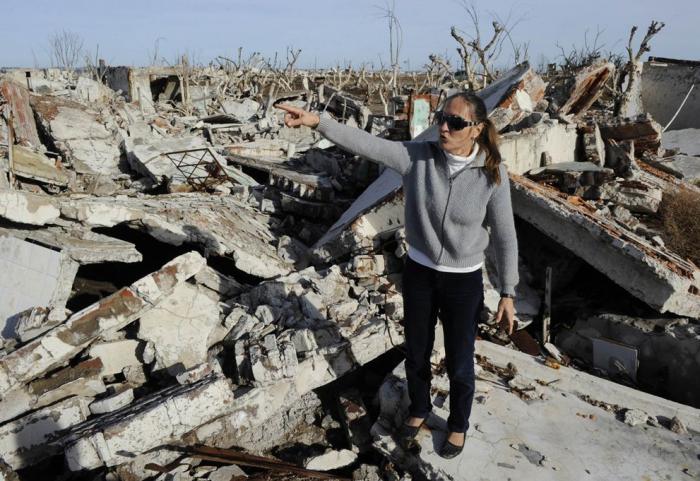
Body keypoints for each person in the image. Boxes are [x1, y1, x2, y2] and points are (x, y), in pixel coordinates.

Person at [277, 92, 517, 459]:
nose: (444, 127)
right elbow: (369, 144)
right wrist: (316, 122)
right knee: (417, 352)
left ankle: (458, 423)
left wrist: (508, 291)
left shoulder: (492, 172)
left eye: (454, 122)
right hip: (420, 271)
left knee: (459, 360)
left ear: (476, 129)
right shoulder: (418, 157)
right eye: (441, 118)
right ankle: (419, 408)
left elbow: (504, 234)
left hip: (462, 281)